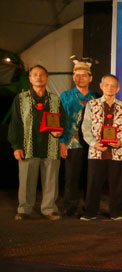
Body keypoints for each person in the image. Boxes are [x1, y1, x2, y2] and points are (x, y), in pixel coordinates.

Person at [9, 65, 66, 220]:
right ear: (30, 78)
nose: (38, 77)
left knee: (51, 180)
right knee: (26, 179)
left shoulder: (55, 99)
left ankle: (49, 208)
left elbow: (63, 120)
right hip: (28, 146)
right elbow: (15, 123)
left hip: (51, 146)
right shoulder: (21, 99)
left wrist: (60, 132)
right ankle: (24, 208)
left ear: (47, 78)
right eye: (35, 75)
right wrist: (16, 146)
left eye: (42, 75)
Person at [80, 75, 122, 221]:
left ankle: (116, 212)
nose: (110, 88)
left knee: (117, 184)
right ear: (101, 86)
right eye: (107, 85)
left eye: (113, 85)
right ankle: (90, 212)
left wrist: (121, 142)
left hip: (118, 152)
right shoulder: (92, 105)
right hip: (97, 151)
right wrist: (93, 143)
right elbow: (85, 127)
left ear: (118, 88)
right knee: (93, 183)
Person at [59, 57, 98, 217]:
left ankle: (89, 206)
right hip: (71, 143)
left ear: (90, 78)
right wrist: (61, 142)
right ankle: (70, 206)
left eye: (83, 75)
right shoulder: (66, 96)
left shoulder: (96, 96)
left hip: (92, 144)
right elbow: (59, 119)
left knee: (91, 178)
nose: (79, 78)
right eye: (76, 75)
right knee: (71, 177)